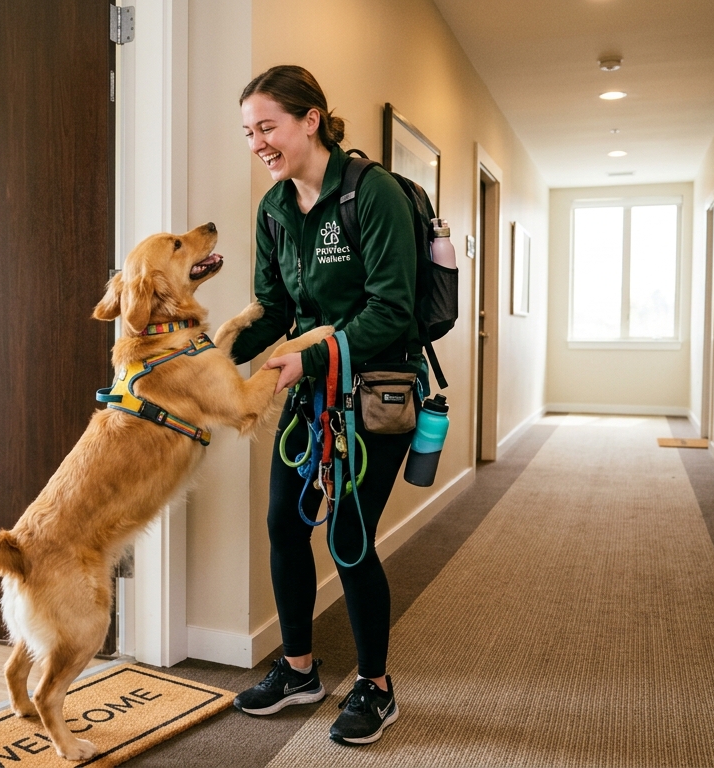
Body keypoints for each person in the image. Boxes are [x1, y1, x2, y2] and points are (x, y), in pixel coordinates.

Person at [229, 65, 422, 746]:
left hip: (377, 392)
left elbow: (392, 311)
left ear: (311, 119)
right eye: (249, 131)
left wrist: (307, 358)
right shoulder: (275, 211)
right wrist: (209, 357)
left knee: (348, 538)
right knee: (287, 522)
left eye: (267, 126)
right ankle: (299, 669)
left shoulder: (371, 196)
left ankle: (376, 686)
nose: (257, 142)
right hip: (312, 393)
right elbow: (274, 309)